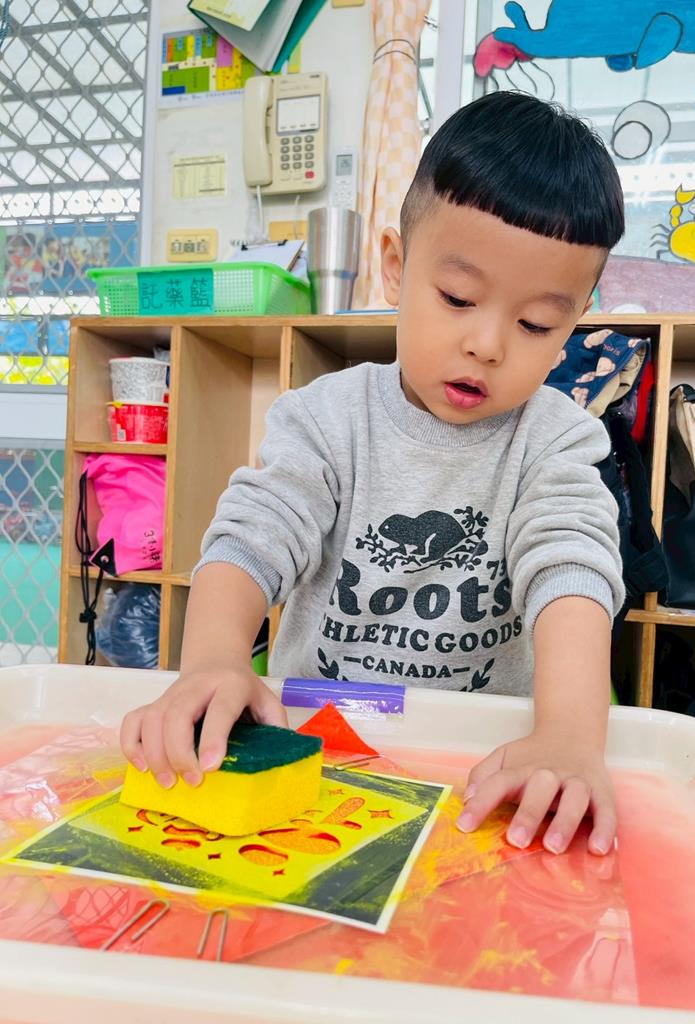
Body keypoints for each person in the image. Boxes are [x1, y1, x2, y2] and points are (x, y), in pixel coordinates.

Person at [121, 91, 626, 857]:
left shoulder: (556, 439)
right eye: (457, 298)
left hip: (479, 770)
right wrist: (215, 662)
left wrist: (566, 735)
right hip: (315, 749)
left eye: (535, 324)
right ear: (394, 267)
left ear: (572, 325)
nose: (487, 344)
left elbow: (571, 566)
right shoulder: (325, 418)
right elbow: (253, 537)